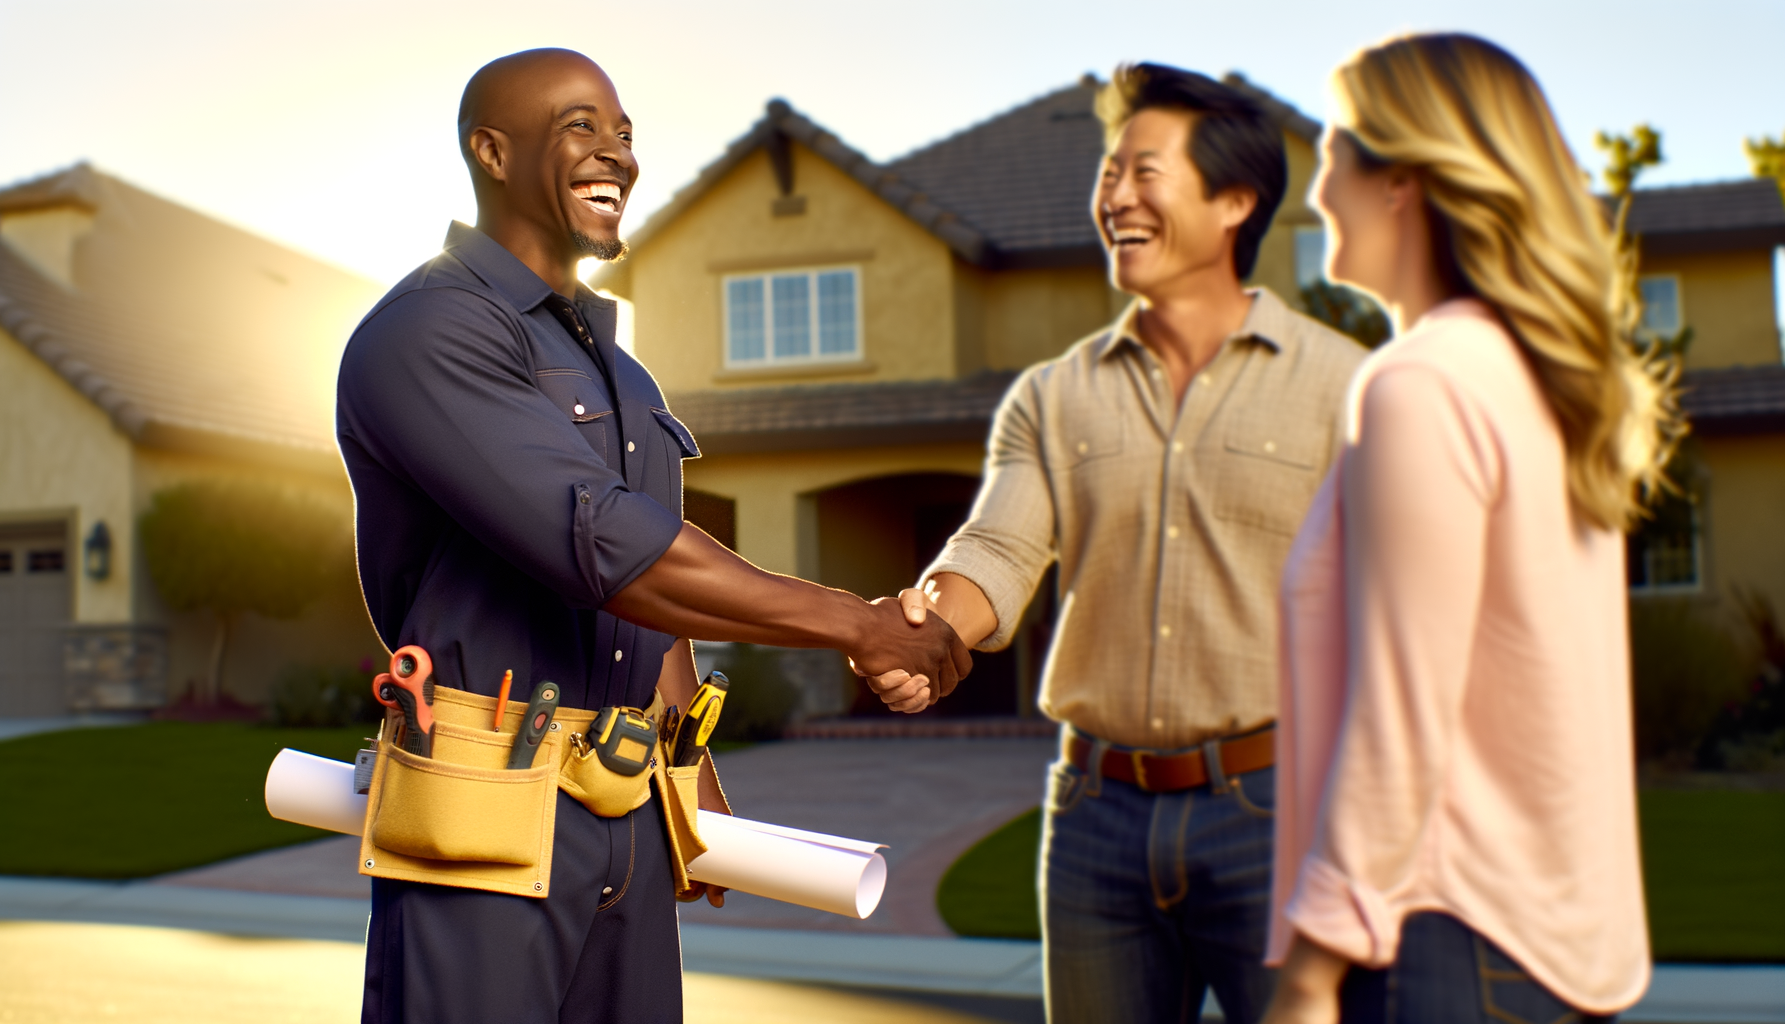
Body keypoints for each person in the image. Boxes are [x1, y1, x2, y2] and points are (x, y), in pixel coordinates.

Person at [336, 48, 970, 1024]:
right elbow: (606, 547)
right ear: (492, 150)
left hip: (625, 807)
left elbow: (655, 600)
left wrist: (688, 769)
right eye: (580, 125)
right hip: (485, 807)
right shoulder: (426, 333)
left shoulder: (625, 378)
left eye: (624, 131)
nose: (617, 153)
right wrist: (858, 623)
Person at [869, 65, 1366, 1024]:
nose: (1116, 196)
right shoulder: (1054, 396)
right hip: (1094, 819)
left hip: (1278, 814)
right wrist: (931, 629)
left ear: (1234, 201)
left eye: (1147, 171)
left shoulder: (1345, 389)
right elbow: (1000, 550)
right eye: (1109, 172)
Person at [1259, 33, 1676, 1024]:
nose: (1316, 195)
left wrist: (1312, 971)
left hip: (1441, 941)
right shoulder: (1541, 379)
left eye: (1332, 156)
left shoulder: (1423, 385)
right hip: (1555, 948)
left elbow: (1400, 715)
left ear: (1398, 178)